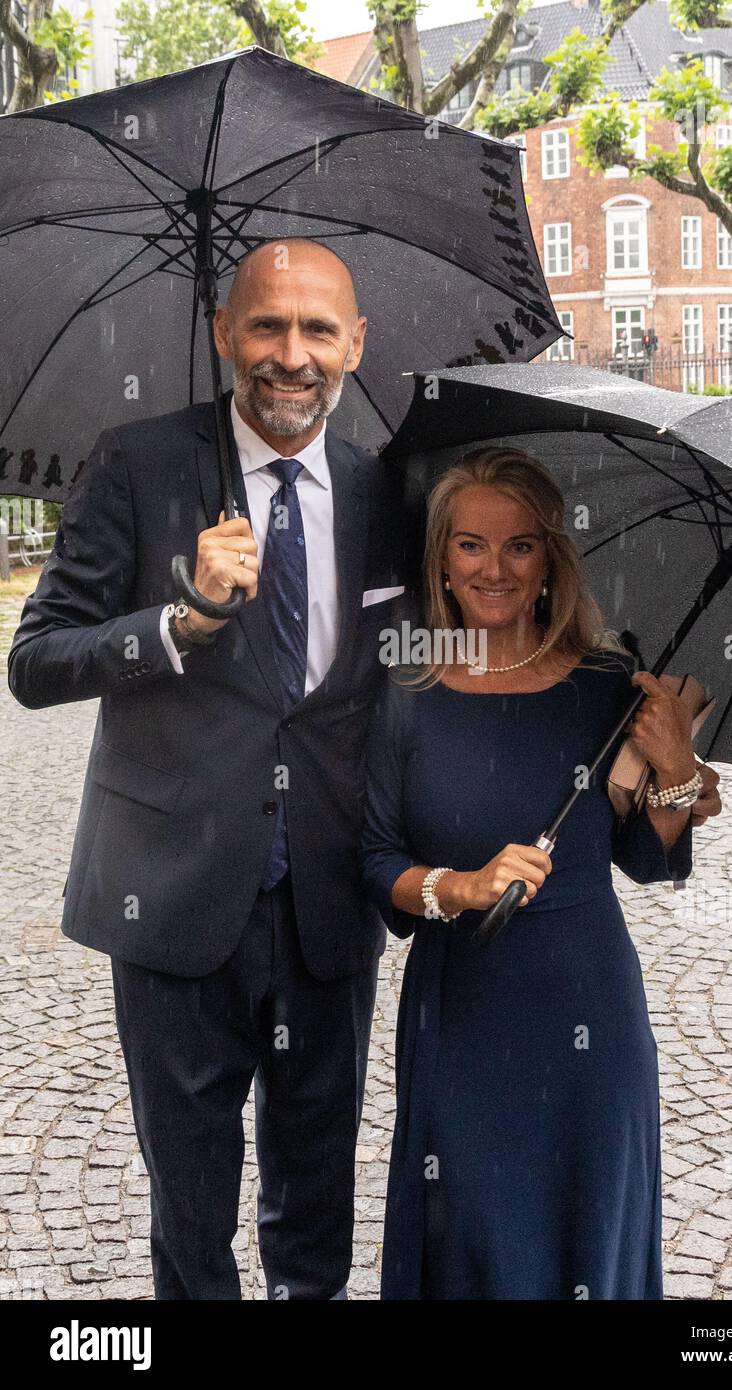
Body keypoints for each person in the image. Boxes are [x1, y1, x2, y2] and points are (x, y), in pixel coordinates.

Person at [7, 237, 423, 1300]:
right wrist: (179, 620)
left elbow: (407, 678)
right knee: (188, 1209)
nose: (292, 355)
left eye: (318, 329)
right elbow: (36, 660)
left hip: (328, 903)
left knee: (315, 1188)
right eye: (267, 326)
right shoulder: (138, 463)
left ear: (354, 343)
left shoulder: (387, 492)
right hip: (173, 895)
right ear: (224, 333)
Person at [360, 446, 723, 1300]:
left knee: (583, 1232)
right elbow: (376, 859)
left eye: (520, 546)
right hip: (464, 1009)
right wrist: (461, 887)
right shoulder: (405, 690)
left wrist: (677, 760)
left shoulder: (608, 684)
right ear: (441, 560)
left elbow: (649, 855)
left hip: (590, 1009)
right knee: (470, 1231)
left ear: (550, 559)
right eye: (471, 546)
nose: (495, 568)